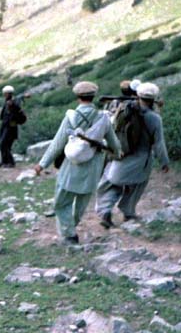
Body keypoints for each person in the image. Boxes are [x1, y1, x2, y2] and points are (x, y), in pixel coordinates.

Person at [34, 81, 122, 245]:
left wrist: (42, 163)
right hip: (93, 168)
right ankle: (71, 229)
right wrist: (118, 153)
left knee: (61, 203)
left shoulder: (71, 117)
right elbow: (114, 143)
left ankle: (69, 234)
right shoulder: (102, 118)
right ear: (93, 96)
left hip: (71, 166)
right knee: (81, 204)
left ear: (77, 97)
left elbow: (57, 143)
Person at [96, 82, 170, 228]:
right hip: (141, 159)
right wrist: (164, 162)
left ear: (138, 95)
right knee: (138, 184)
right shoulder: (155, 118)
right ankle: (128, 211)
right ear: (153, 98)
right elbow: (159, 144)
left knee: (112, 184)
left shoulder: (124, 109)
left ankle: (105, 211)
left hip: (120, 155)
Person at [0, 85, 29, 168]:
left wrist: (23, 96)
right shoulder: (7, 101)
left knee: (5, 144)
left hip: (10, 127)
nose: (5, 95)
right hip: (5, 125)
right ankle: (4, 161)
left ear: (9, 93)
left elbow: (17, 99)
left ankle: (11, 162)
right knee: (2, 144)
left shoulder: (14, 102)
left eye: (6, 93)